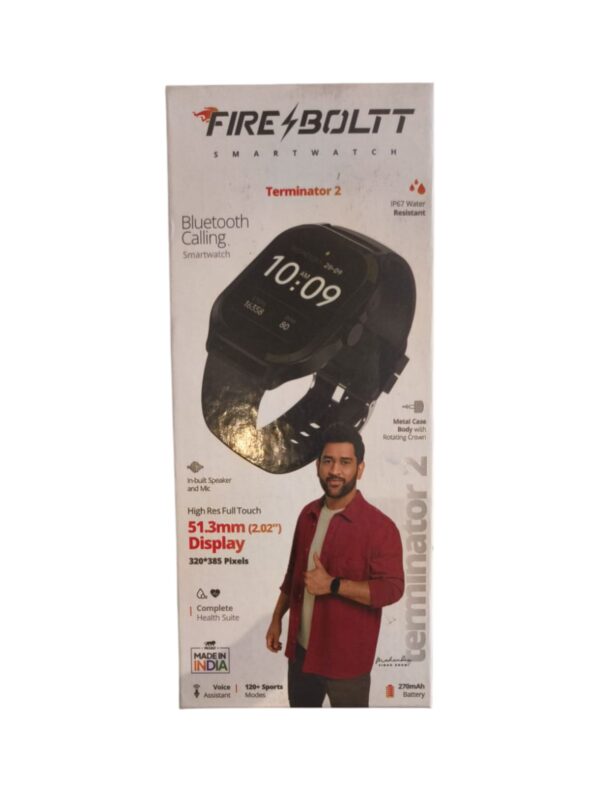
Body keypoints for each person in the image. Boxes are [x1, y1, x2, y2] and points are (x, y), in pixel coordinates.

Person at [266, 423, 404, 708]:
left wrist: (333, 585)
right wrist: (277, 618)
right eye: (328, 461)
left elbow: (392, 589)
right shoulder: (307, 515)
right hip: (301, 657)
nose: (335, 471)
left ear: (360, 469)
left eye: (345, 462)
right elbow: (293, 576)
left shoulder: (380, 527)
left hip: (347, 666)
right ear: (317, 466)